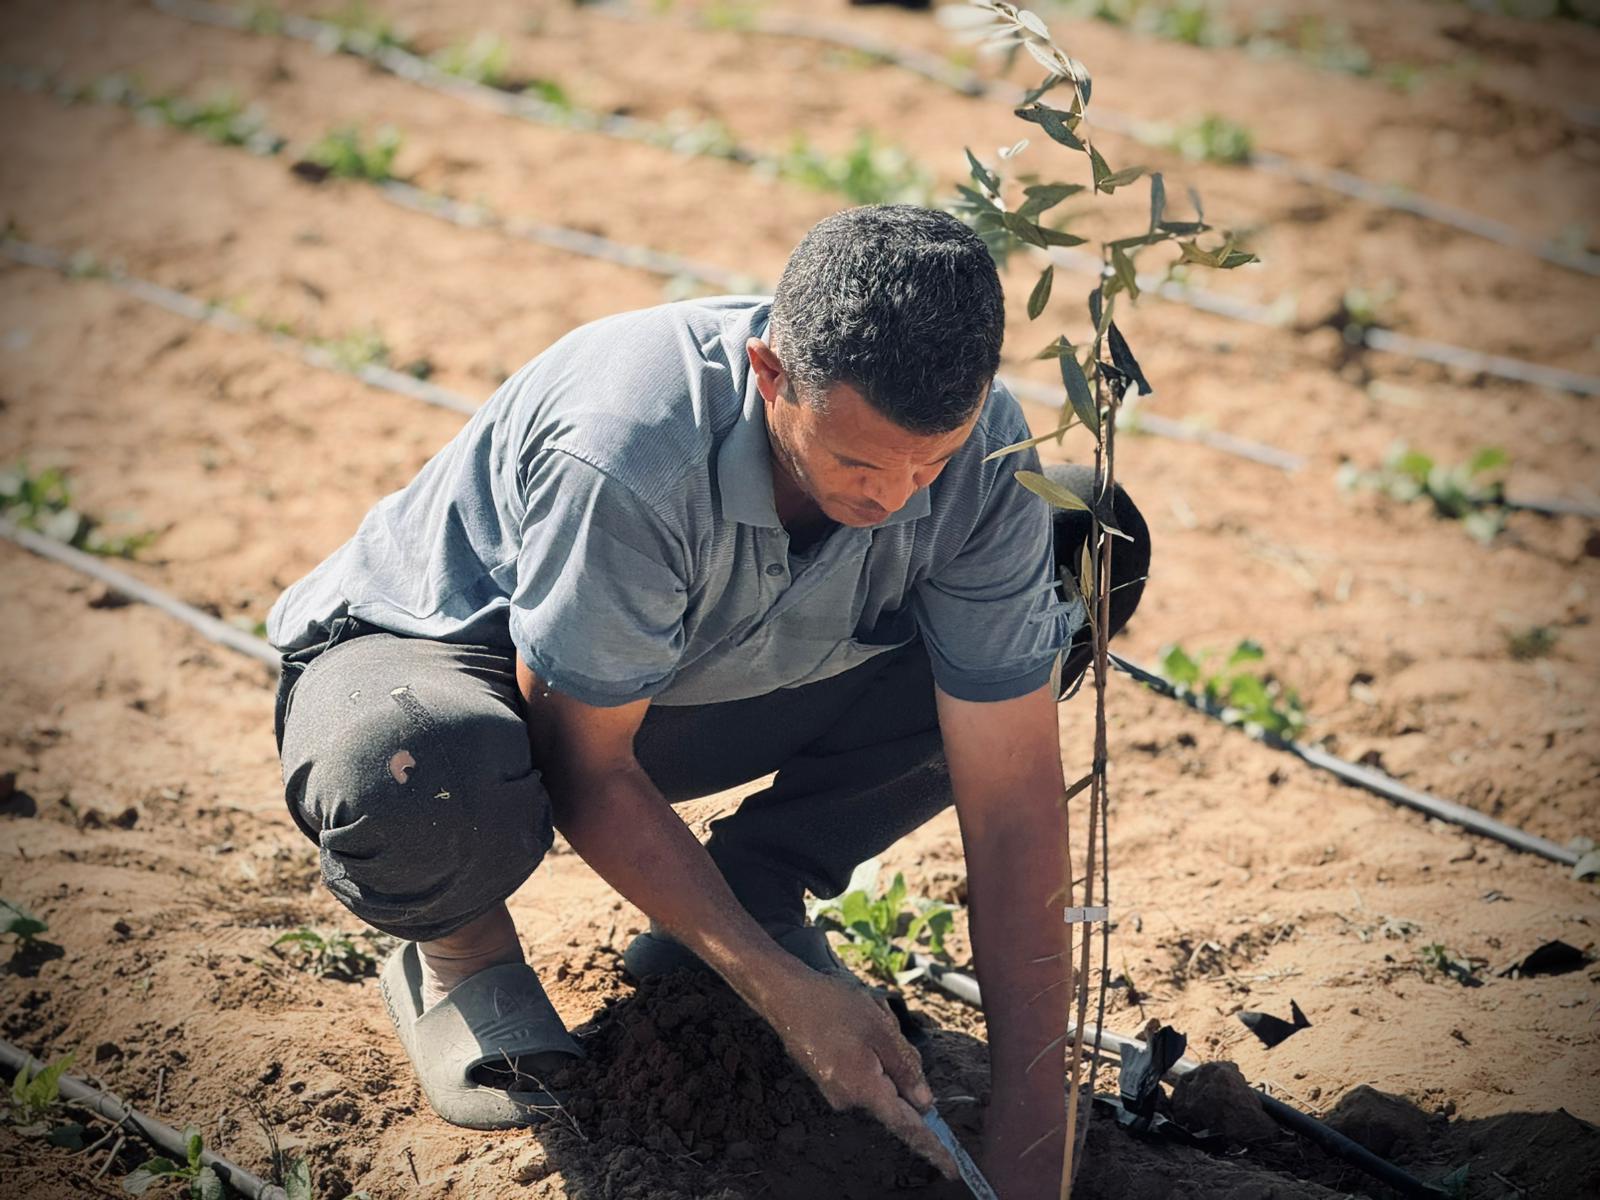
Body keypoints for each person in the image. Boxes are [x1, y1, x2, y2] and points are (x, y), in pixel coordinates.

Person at [267, 205, 1149, 1196]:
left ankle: (759, 887)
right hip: (474, 681)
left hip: (696, 675)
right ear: (772, 376)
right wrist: (788, 1001)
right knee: (415, 768)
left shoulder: (983, 459)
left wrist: (1034, 1130)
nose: (897, 497)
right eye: (859, 462)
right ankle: (460, 955)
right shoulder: (631, 451)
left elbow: (1012, 799)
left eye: (928, 461)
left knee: (1082, 546)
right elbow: (583, 763)